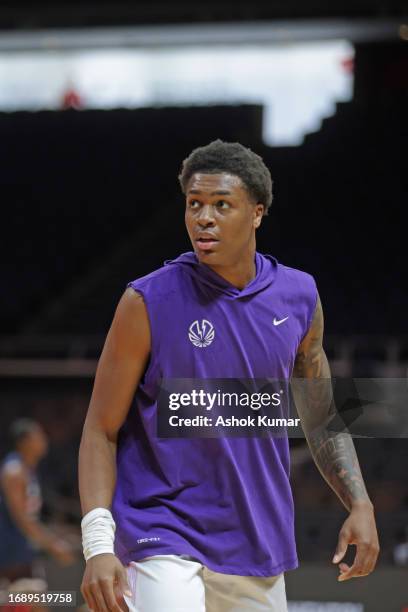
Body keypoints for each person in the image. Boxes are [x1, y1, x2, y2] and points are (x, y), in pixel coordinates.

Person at [79, 139, 380, 612]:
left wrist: (359, 504)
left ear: (257, 213)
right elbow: (100, 429)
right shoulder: (145, 302)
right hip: (161, 531)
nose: (204, 217)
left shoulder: (299, 297)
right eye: (194, 204)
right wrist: (98, 543)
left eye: (222, 205)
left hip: (255, 538)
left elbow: (320, 416)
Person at [0, 418, 75, 583]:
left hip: (22, 550)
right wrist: (53, 545)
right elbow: (21, 518)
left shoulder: (28, 469)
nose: (44, 440)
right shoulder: (14, 472)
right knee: (29, 599)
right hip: (9, 552)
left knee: (34, 600)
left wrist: (59, 533)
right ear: (24, 442)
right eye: (39, 436)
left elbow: (31, 515)